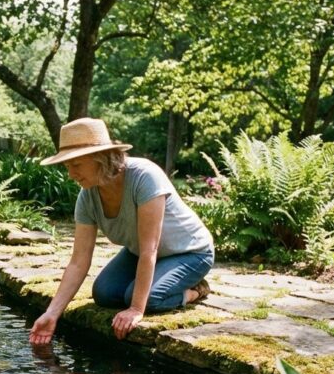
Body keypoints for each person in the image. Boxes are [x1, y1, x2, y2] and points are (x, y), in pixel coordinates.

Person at [29, 118, 214, 344]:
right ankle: (164, 285)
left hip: (190, 253)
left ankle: (195, 290)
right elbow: (78, 261)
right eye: (67, 166)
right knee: (104, 294)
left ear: (100, 158)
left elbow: (150, 249)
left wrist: (136, 308)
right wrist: (52, 313)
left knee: (149, 299)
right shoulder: (87, 197)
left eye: (75, 165)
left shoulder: (145, 177)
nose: (70, 174)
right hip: (140, 253)